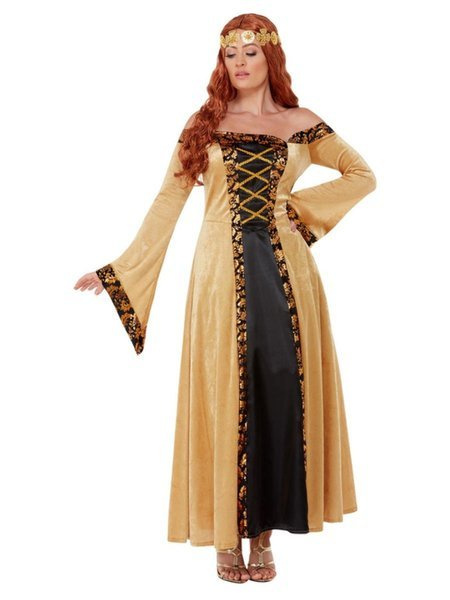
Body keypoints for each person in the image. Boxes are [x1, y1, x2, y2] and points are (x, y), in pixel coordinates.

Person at [74, 13, 377, 584]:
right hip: (221, 275)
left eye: (250, 52)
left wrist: (299, 213)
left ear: (271, 58)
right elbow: (169, 200)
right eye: (230, 54)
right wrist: (120, 269)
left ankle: (263, 534)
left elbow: (361, 174)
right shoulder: (206, 123)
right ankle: (225, 537)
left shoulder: (301, 123)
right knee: (226, 392)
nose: (239, 63)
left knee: (280, 389)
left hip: (288, 275)